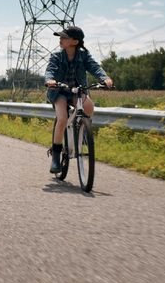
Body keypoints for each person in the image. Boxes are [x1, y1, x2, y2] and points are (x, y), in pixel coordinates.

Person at [44, 25, 114, 174]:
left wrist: (105, 78)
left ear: (75, 42)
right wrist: (50, 80)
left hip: (77, 90)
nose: (61, 39)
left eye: (64, 37)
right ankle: (56, 155)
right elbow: (50, 70)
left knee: (89, 107)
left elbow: (95, 67)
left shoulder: (84, 56)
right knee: (62, 119)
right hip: (60, 92)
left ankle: (82, 131)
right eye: (60, 37)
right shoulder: (56, 56)